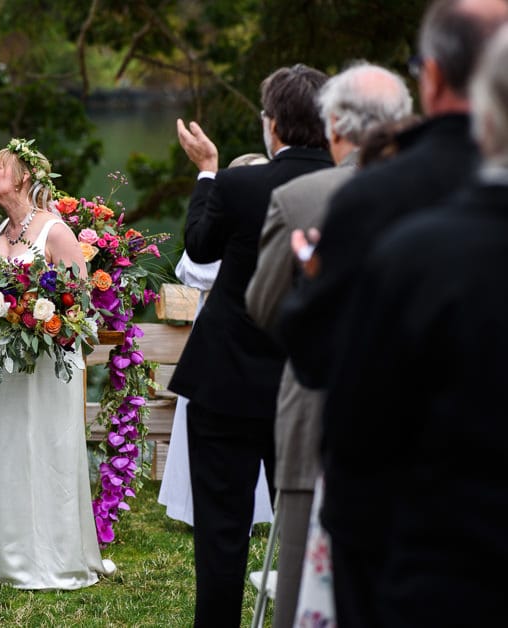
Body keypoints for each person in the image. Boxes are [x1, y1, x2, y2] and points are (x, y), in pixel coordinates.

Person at [276, 2, 508, 626]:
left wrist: (309, 280)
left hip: (417, 540)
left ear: (431, 78)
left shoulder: (379, 199)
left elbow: (329, 369)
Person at [244, 62, 413, 628]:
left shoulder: (302, 197)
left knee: (301, 576)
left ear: (333, 125)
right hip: (420, 419)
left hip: (317, 404)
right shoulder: (441, 190)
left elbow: (266, 309)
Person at [168, 64, 333, 628]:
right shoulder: (352, 186)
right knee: (310, 523)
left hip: (226, 379)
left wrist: (209, 174)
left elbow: (199, 247)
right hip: (309, 379)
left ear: (273, 127)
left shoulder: (241, 184)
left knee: (222, 531)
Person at [0, 139, 114, 589]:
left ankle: (54, 557)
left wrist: (42, 318)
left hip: (49, 363)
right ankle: (2, 557)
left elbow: (82, 305)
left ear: (24, 177)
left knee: (46, 448)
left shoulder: (55, 232)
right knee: (6, 446)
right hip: (6, 363)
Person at [158, 153, 274, 530]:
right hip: (219, 337)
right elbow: (192, 269)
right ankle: (198, 507)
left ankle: (262, 510)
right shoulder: (224, 225)